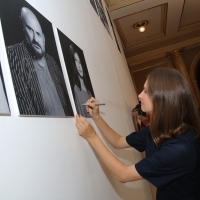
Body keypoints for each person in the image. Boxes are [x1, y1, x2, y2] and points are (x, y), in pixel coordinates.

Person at [75, 67, 200, 200]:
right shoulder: (159, 128)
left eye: (146, 91)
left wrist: (92, 136)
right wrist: (97, 117)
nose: (139, 95)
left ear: (163, 98)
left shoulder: (180, 148)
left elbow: (124, 175)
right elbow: (118, 141)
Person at [6, 7, 73, 116]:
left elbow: (68, 96)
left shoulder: (51, 61)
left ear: (44, 38)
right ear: (23, 28)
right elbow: (27, 113)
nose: (35, 39)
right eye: (30, 29)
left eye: (38, 34)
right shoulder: (13, 54)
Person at [69, 44, 92, 117]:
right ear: (74, 65)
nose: (79, 66)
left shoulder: (88, 91)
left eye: (80, 62)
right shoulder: (76, 89)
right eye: (76, 61)